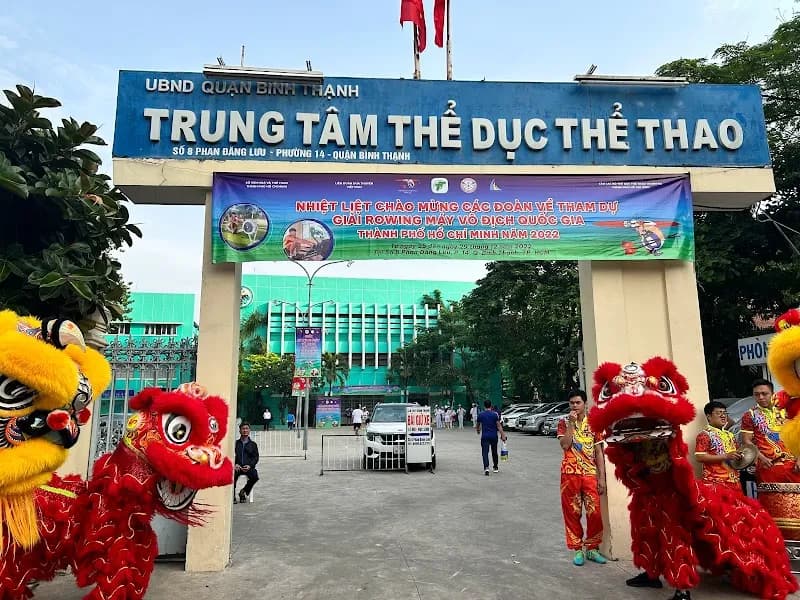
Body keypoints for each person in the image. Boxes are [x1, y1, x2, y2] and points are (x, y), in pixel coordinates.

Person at [557, 389, 607, 567]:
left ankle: (592, 548)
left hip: (590, 474)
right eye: (571, 403)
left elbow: (599, 452)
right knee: (572, 513)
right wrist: (571, 424)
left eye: (578, 402)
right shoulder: (563, 422)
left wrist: (601, 478)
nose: (574, 406)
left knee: (594, 513)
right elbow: (565, 445)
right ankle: (577, 549)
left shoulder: (595, 424)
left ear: (585, 404)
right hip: (570, 474)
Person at [741, 378, 800, 483]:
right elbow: (746, 441)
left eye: (764, 394)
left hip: (794, 465)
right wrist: (762, 458)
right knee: (772, 498)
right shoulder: (750, 415)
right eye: (757, 394)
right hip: (768, 465)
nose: (761, 397)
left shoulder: (787, 410)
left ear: (772, 393)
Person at [695, 401, 742, 493]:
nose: (723, 416)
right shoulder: (704, 435)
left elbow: (736, 454)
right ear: (709, 416)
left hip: (735, 481)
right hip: (715, 483)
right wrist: (726, 456)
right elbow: (699, 457)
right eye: (719, 413)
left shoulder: (730, 435)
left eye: (724, 413)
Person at [476, 399, 507, 475]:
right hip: (494, 436)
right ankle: (495, 467)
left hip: (485, 436)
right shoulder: (494, 414)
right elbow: (499, 426)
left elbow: (478, 425)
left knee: (485, 452)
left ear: (484, 406)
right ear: (491, 406)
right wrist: (503, 435)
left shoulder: (481, 414)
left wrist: (478, 430)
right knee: (494, 451)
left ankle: (486, 468)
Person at [234, 422, 259, 503]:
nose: (245, 430)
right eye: (243, 429)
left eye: (246, 429)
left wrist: (250, 465)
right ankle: (232, 495)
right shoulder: (235, 444)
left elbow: (256, 457)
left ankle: (243, 491)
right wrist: (235, 464)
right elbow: (230, 456)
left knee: (255, 476)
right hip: (237, 467)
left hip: (248, 467)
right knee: (231, 475)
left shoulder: (253, 444)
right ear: (239, 431)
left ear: (249, 430)